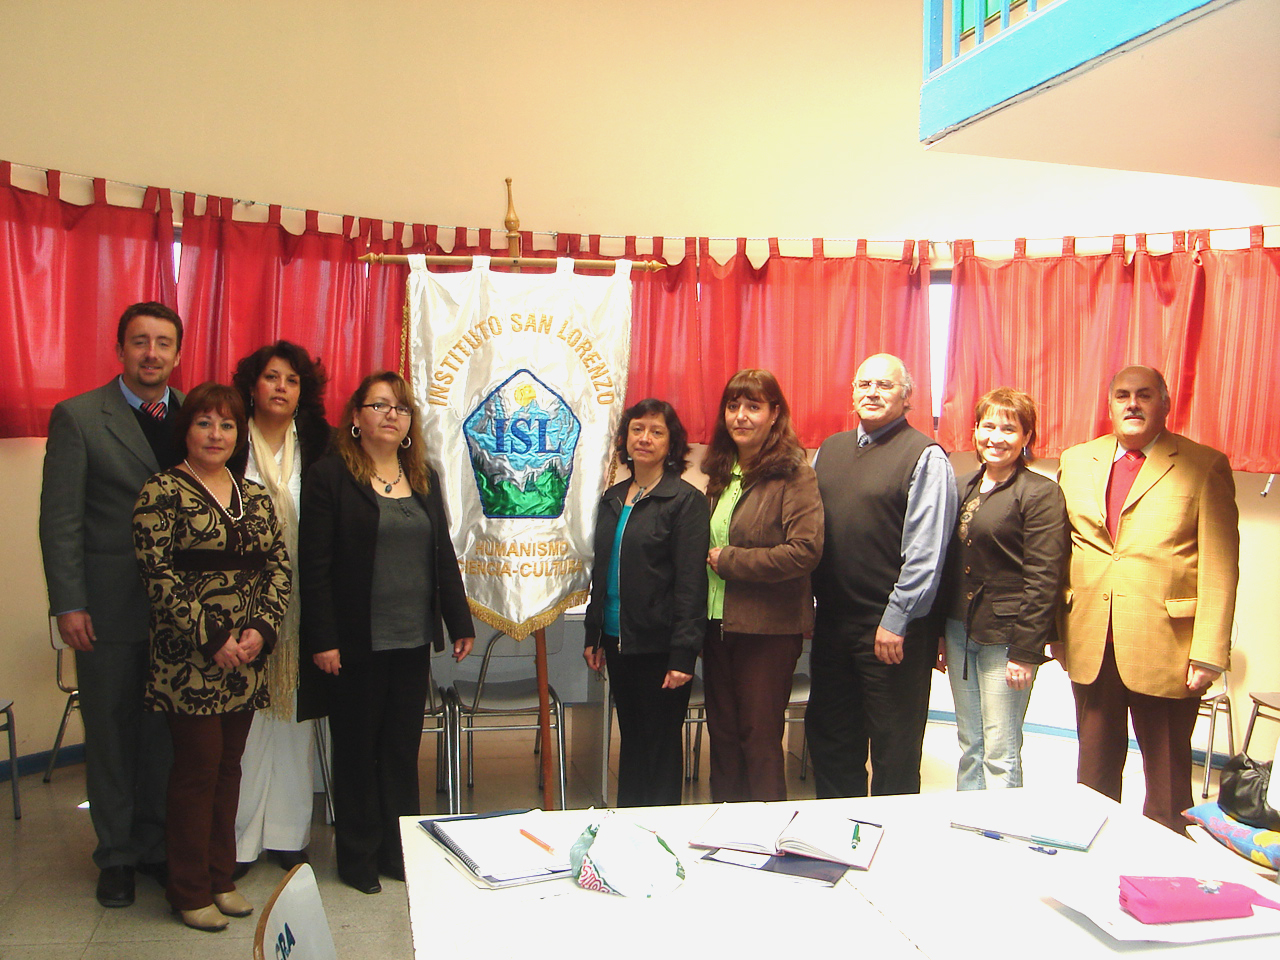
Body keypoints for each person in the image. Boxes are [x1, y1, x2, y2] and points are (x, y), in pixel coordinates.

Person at [299, 371, 475, 894]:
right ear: (356, 417)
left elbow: (441, 553)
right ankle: (356, 856)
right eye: (379, 405)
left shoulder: (422, 476)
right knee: (357, 749)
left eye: (400, 407)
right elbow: (315, 565)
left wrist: (458, 620)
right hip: (354, 641)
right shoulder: (330, 476)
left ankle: (398, 853)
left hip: (410, 638)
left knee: (400, 749)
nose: (391, 415)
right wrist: (323, 638)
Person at [39, 302, 185, 908]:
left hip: (181, 612)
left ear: (177, 353)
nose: (152, 353)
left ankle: (154, 846)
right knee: (111, 733)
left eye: (163, 343)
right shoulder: (78, 417)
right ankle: (117, 856)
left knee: (164, 736)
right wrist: (69, 604)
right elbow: (60, 521)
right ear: (120, 348)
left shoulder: (197, 417)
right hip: (107, 607)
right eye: (140, 341)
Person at [133, 382, 291, 931]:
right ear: (186, 430)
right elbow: (157, 575)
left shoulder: (255, 496)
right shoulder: (161, 491)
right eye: (204, 423)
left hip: (245, 659)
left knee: (229, 768)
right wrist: (211, 637)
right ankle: (188, 889)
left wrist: (261, 630)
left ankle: (221, 878)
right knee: (197, 771)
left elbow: (277, 567)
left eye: (226, 425)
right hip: (190, 661)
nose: (216, 434)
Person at [1056, 365, 1239, 833]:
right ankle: (1095, 848)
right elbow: (1059, 551)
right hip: (1092, 640)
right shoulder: (1076, 461)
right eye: (1122, 395)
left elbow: (1220, 565)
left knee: (1168, 779)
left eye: (1144, 394)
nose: (1132, 404)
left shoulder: (1203, 464)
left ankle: (1167, 858)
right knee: (1093, 773)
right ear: (1110, 404)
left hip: (1169, 647)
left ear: (1165, 403)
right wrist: (1056, 631)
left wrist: (1209, 652)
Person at [808, 353, 957, 798]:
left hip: (892, 632)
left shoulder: (925, 456)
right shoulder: (829, 450)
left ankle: (894, 836)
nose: (872, 393)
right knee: (832, 743)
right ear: (853, 393)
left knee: (894, 752)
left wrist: (897, 618)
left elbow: (926, 552)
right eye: (864, 384)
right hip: (833, 626)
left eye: (885, 385)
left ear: (907, 397)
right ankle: (839, 833)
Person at [229, 342, 332, 876]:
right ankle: (239, 843)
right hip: (238, 603)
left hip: (302, 599)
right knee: (244, 728)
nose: (281, 388)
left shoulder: (319, 442)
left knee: (294, 719)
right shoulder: (229, 436)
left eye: (292, 380)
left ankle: (289, 836)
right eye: (272, 377)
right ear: (253, 385)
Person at [934, 388, 1068, 790]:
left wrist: (1026, 652)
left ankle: (1002, 824)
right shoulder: (962, 486)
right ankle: (967, 820)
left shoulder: (1040, 493)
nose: (996, 437)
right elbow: (949, 567)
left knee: (1000, 750)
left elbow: (1044, 577)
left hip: (1007, 639)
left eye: (1009, 429)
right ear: (975, 431)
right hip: (959, 630)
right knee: (970, 743)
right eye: (988, 426)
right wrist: (939, 632)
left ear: (1026, 436)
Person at [701, 370, 823, 802]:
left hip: (768, 629)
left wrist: (731, 561)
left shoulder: (794, 474)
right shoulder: (722, 472)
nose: (741, 416)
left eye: (753, 407)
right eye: (733, 406)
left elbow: (805, 551)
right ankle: (725, 827)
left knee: (759, 739)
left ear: (774, 414)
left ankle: (769, 832)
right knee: (724, 738)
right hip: (716, 625)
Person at [583, 399, 709, 807]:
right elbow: (602, 571)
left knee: (659, 747)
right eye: (637, 429)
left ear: (672, 443)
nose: (645, 438)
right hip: (617, 640)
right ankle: (628, 826)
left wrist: (683, 654)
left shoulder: (685, 501)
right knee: (633, 742)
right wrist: (593, 633)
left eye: (657, 432)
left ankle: (660, 832)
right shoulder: (613, 498)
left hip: (660, 647)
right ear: (625, 438)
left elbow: (691, 584)